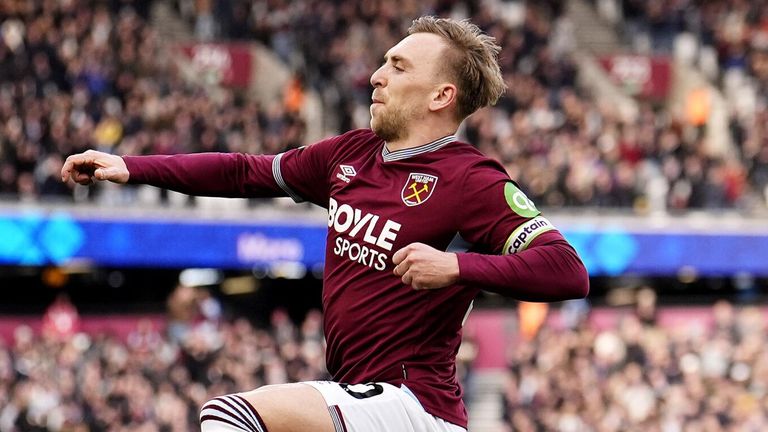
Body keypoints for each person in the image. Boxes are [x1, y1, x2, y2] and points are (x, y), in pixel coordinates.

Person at [62, 16, 589, 432]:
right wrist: (131, 167)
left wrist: (456, 267)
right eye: (384, 62)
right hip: (359, 396)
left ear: (441, 96)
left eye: (399, 66)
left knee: (230, 415)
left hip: (414, 406)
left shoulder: (470, 179)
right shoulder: (352, 154)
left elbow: (567, 270)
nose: (377, 76)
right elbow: (245, 172)